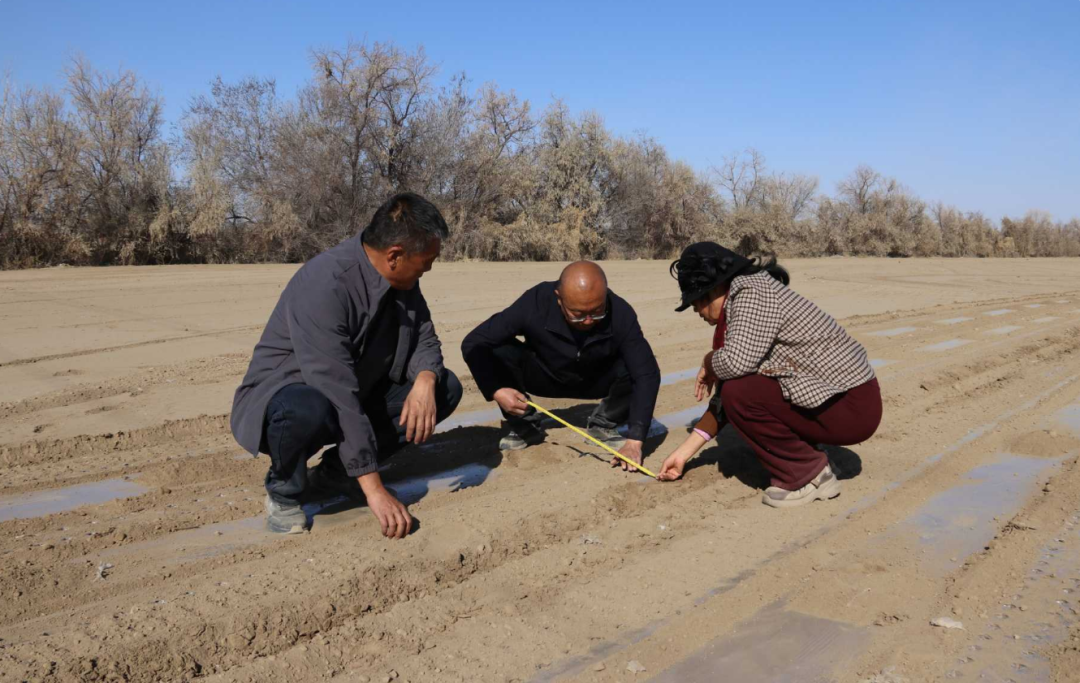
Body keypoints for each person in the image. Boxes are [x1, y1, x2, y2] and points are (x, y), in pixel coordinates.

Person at [231, 193, 462, 537]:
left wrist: (426, 379)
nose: (429, 268)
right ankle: (285, 490)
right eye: (426, 261)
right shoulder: (326, 283)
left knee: (445, 387)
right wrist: (375, 490)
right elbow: (336, 391)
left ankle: (337, 473)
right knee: (306, 408)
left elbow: (424, 338)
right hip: (291, 398)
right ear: (395, 256)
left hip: (357, 387)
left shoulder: (403, 282)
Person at [656, 242, 882, 507]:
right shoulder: (743, 300)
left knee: (740, 391)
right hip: (844, 403)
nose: (698, 313)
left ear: (713, 289)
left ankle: (807, 476)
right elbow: (726, 395)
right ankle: (813, 461)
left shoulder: (752, 293)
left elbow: (735, 368)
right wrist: (684, 453)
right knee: (740, 390)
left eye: (696, 304)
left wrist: (709, 362)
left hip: (852, 406)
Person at [461, 261, 661, 471]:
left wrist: (635, 441)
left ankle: (604, 423)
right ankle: (524, 425)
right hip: (543, 375)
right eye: (578, 314)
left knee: (637, 363)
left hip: (594, 380)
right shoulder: (535, 302)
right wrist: (496, 389)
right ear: (559, 298)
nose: (588, 321)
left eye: (597, 311)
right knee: (496, 348)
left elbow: (647, 374)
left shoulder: (620, 312)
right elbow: (474, 342)